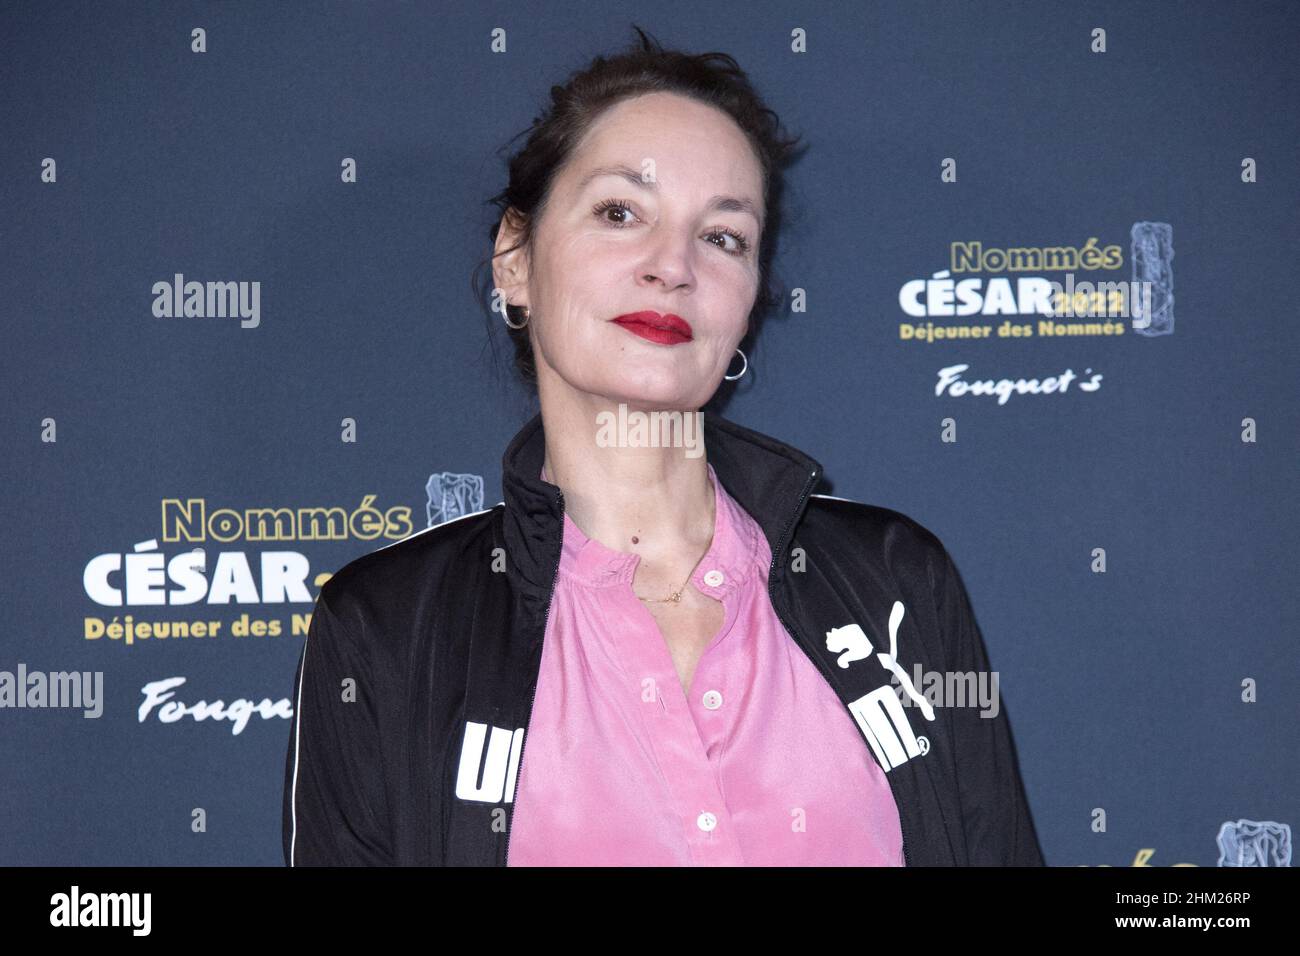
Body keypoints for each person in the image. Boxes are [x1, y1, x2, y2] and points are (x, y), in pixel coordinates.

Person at [282, 25, 1044, 867]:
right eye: (620, 212)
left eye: (722, 236)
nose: (671, 265)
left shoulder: (896, 578)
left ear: (749, 301)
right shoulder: (387, 624)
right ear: (514, 260)